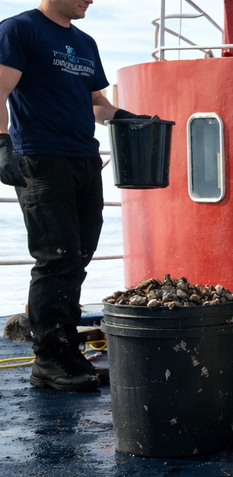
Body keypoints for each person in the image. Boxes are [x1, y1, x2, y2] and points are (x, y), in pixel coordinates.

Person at [0, 0, 153, 391]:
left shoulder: (85, 42)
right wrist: (2, 144)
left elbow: (96, 103)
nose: (91, 0)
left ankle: (66, 348)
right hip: (40, 157)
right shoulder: (19, 29)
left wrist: (128, 120)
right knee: (56, 258)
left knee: (80, 254)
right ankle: (49, 360)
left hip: (84, 159)